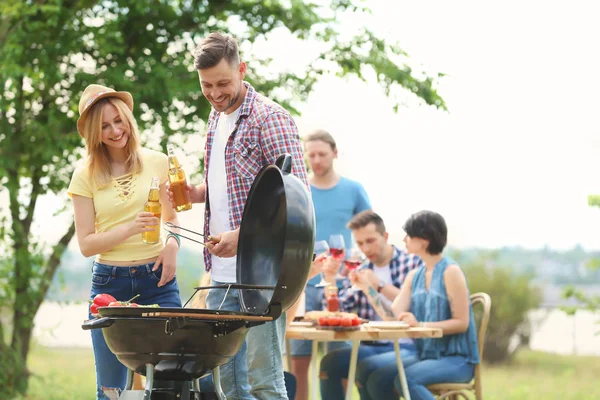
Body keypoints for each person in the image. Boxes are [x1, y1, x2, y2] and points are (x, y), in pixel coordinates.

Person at [171, 31, 308, 400]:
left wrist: (242, 235)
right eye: (206, 85)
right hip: (221, 277)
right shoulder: (216, 119)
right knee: (227, 385)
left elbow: (296, 204)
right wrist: (196, 194)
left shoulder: (271, 118)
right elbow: (226, 185)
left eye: (223, 83)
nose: (215, 94)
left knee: (263, 381)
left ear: (242, 70)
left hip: (263, 276)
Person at [68, 84, 183, 400]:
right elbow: (87, 244)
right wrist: (131, 227)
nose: (114, 130)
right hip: (110, 286)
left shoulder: (157, 162)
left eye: (118, 120)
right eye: (104, 126)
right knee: (112, 391)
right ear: (94, 132)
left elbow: (172, 218)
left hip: (158, 279)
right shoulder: (84, 175)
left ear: (128, 119)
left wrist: (172, 244)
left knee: (171, 383)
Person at [352, 210, 480, 400]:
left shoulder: (451, 272)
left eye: (409, 235)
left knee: (408, 379)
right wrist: (368, 288)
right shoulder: (415, 275)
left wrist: (419, 325)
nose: (404, 239)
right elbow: (392, 315)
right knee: (376, 378)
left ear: (424, 240)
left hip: (457, 359)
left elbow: (462, 322)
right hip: (427, 354)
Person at [290, 129, 372, 400]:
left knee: (340, 360)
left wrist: (355, 266)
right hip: (302, 283)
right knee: (299, 361)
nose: (316, 160)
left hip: (341, 285)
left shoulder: (353, 190)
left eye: (322, 154)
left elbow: (369, 231)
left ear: (335, 153)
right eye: (310, 155)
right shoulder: (299, 189)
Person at [318, 211, 422, 399]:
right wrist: (330, 278)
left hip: (410, 345)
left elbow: (418, 306)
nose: (365, 248)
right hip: (375, 344)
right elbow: (337, 311)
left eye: (370, 240)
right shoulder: (361, 268)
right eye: (359, 243)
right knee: (330, 363)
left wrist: (378, 286)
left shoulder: (412, 262)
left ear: (385, 236)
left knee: (369, 369)